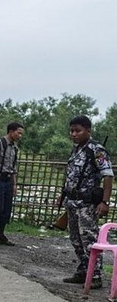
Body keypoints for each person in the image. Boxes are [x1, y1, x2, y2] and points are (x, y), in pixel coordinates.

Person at [57, 115, 113, 289]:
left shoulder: (96, 150)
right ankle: (83, 270)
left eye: (78, 131)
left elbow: (108, 176)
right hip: (72, 201)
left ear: (88, 130)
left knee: (89, 238)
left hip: (87, 203)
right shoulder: (76, 149)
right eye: (72, 131)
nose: (74, 134)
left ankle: (95, 275)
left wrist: (105, 202)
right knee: (75, 239)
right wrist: (63, 194)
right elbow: (71, 175)